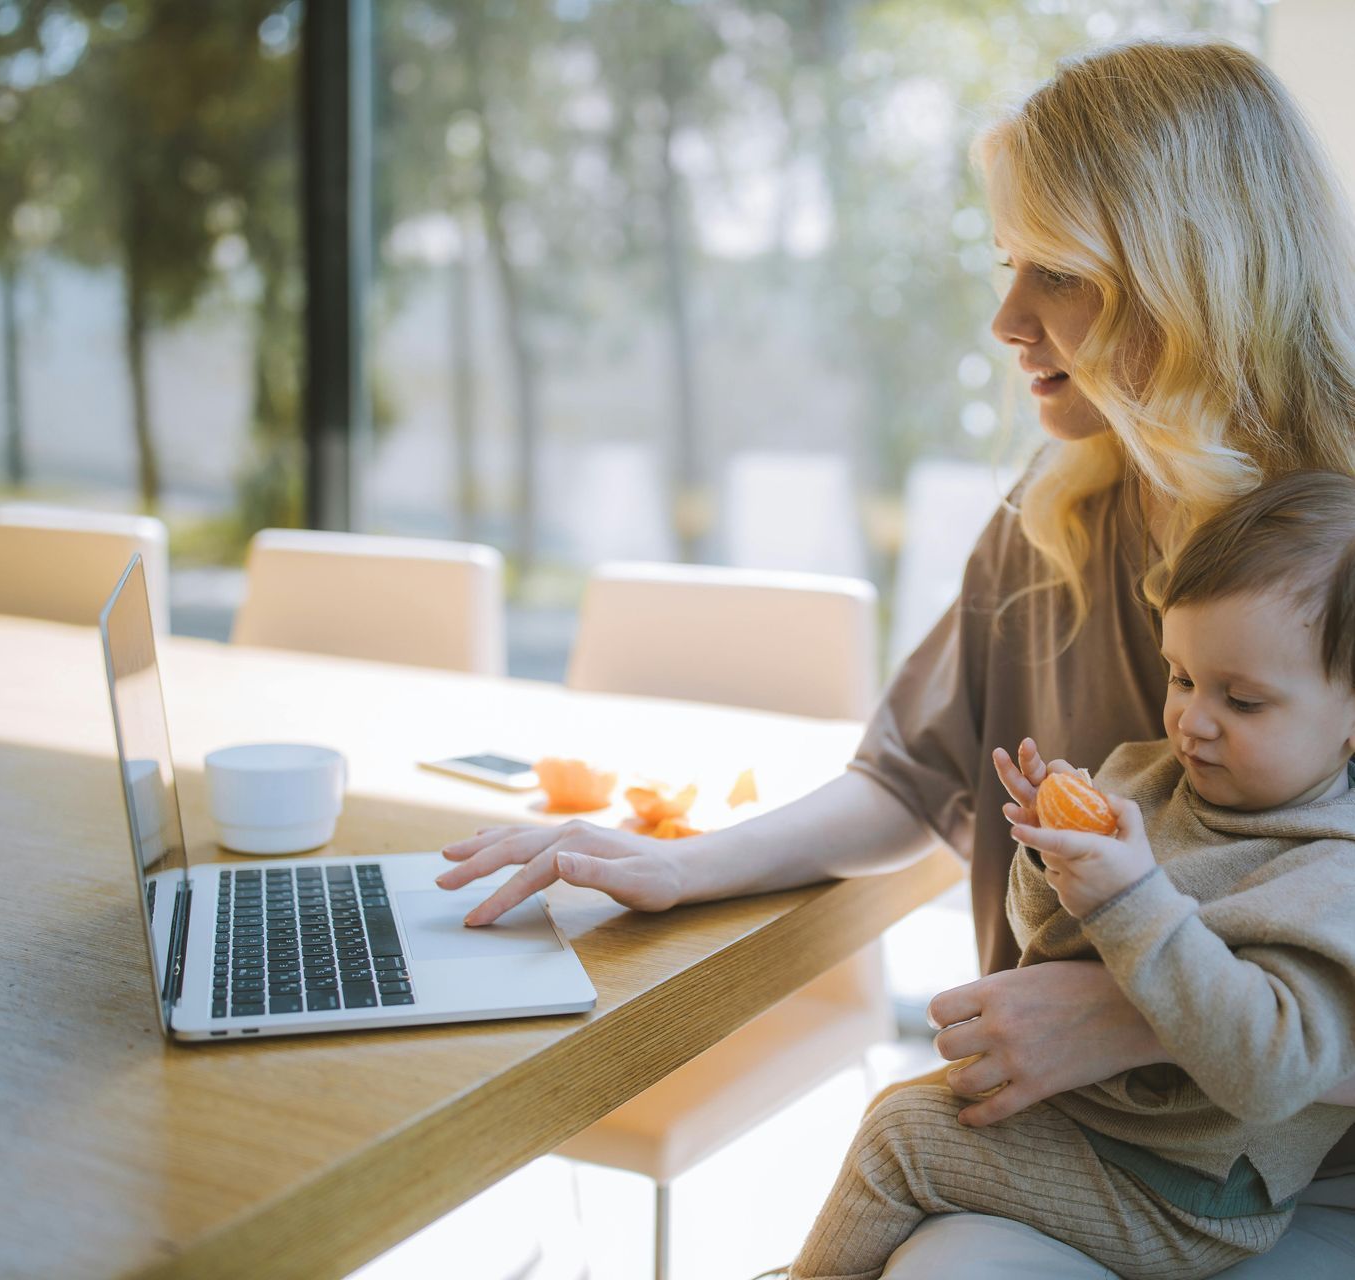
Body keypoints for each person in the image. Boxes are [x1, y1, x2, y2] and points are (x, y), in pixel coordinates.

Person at [437, 38, 1355, 1274]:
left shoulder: (1337, 552)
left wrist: (1133, 1015)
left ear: (1185, 280)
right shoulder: (1062, 509)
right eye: (1004, 264)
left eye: (1059, 275)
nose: (1005, 319)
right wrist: (681, 864)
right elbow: (914, 778)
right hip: (1065, 1127)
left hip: (1280, 1175)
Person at [788, 471, 1355, 1280]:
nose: (1193, 721)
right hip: (1099, 1131)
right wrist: (1050, 859)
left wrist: (1131, 898)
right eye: (1183, 677)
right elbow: (1050, 946)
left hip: (1188, 1195)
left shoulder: (1331, 870)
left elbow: (1268, 1070)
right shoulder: (1153, 779)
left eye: (1245, 701)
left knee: (901, 1141)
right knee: (903, 1111)